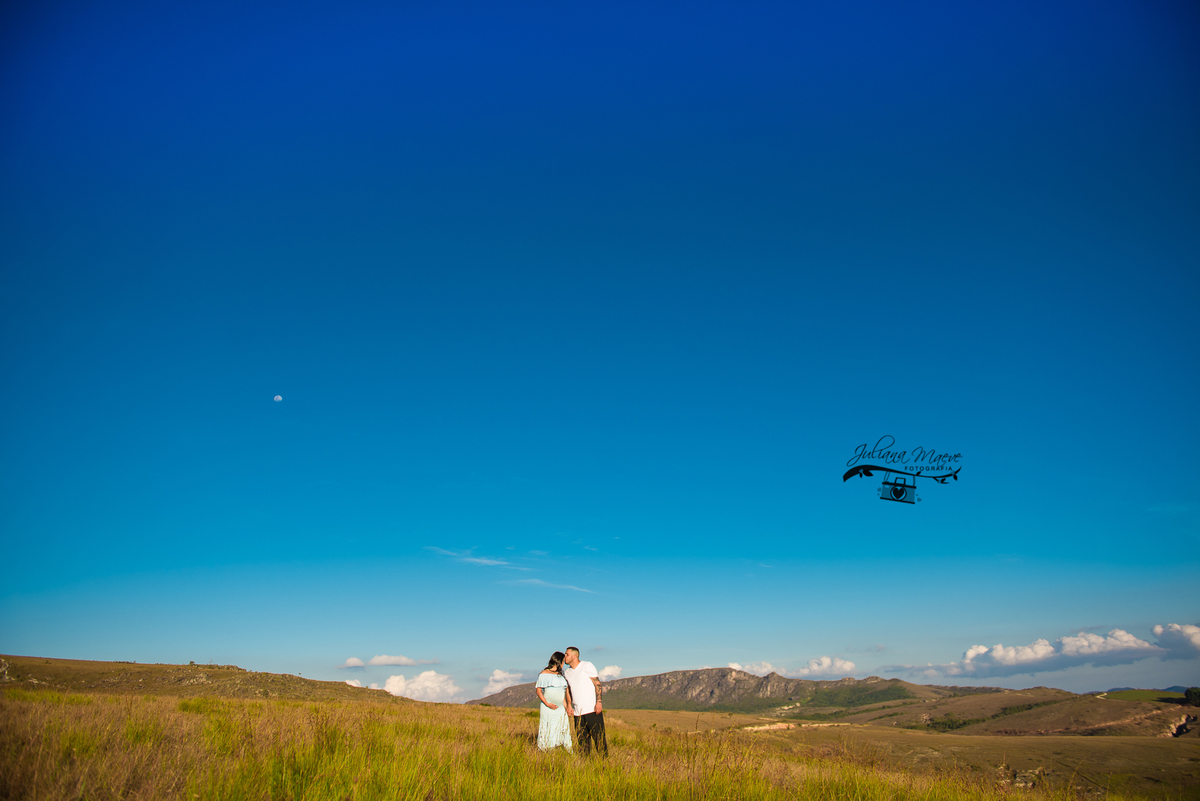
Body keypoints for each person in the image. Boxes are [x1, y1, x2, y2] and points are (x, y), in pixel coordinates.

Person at [563, 646, 606, 756]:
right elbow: (568, 690)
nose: (565, 656)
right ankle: (585, 767)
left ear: (574, 656)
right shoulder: (567, 672)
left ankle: (605, 766)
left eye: (567, 654)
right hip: (578, 714)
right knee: (583, 744)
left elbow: (597, 684)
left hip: (592, 710)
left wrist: (599, 702)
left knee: (599, 741)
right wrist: (569, 705)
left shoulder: (587, 666)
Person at [534, 651, 573, 751]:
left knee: (563, 727)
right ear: (558, 661)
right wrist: (547, 704)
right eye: (563, 661)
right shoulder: (544, 674)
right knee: (547, 727)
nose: (564, 664)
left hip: (560, 708)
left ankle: (564, 748)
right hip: (547, 707)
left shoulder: (561, 675)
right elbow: (538, 691)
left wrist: (567, 706)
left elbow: (563, 692)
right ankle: (545, 748)